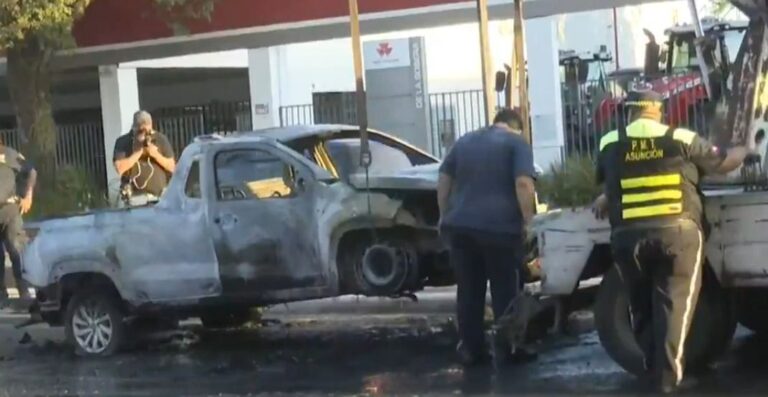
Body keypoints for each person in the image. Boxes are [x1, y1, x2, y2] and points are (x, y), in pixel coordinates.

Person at [592, 89, 750, 393]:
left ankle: (655, 371)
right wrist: (743, 149)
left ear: (630, 112)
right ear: (658, 111)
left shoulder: (610, 142)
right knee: (673, 308)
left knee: (641, 308)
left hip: (628, 239)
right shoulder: (681, 138)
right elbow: (723, 163)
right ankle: (666, 383)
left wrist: (603, 198)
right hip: (676, 236)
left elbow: (617, 177)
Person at [437, 108, 537, 366]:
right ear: (518, 127)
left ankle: (472, 350)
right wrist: (530, 222)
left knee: (469, 291)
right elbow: (524, 184)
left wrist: (444, 213)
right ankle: (509, 348)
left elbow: (444, 178)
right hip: (499, 229)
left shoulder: (465, 141)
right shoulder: (517, 143)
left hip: (460, 228)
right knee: (505, 290)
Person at [0, 140, 37, 306]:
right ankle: (2, 295)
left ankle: (24, 292)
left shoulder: (9, 154)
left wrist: (28, 196)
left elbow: (31, 171)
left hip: (11, 209)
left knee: (17, 250)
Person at [113, 111, 176, 207]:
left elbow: (172, 167)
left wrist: (155, 155)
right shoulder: (123, 142)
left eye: (148, 131)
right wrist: (138, 153)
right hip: (134, 199)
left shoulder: (160, 139)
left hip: (158, 197)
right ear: (134, 128)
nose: (145, 135)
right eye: (141, 131)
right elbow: (120, 168)